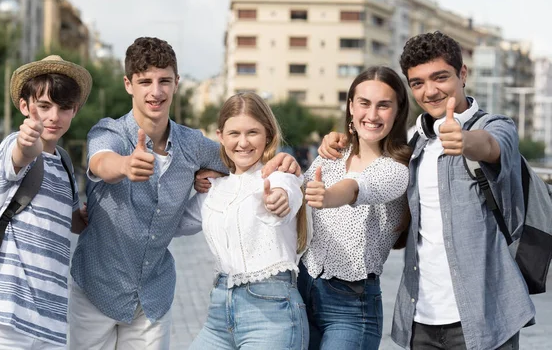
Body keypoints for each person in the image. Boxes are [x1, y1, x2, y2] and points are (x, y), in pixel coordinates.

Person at [69, 37, 300, 350]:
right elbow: (100, 162)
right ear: (128, 85)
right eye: (145, 81)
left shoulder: (193, 144)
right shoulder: (108, 132)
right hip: (97, 287)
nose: (156, 91)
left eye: (164, 81)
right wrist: (126, 165)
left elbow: (243, 158)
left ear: (176, 83)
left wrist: (283, 162)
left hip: (152, 296)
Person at [320, 31, 535, 350]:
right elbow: (372, 169)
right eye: (418, 82)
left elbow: (492, 147)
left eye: (440, 77)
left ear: (463, 74)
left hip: (485, 316)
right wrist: (338, 140)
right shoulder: (414, 143)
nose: (430, 91)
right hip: (421, 319)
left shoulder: (495, 126)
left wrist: (464, 141)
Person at [0, 55, 91, 349]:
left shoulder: (64, 163)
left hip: (49, 322)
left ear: (74, 110)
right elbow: (20, 156)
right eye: (44, 106)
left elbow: (73, 220)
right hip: (2, 317)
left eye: (63, 108)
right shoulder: (13, 146)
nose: (53, 117)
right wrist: (27, 143)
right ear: (25, 106)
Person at [176, 92, 310, 349]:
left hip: (272, 314)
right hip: (219, 312)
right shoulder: (214, 189)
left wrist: (279, 200)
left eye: (253, 132)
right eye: (234, 133)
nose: (243, 142)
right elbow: (173, 223)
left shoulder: (280, 175)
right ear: (221, 136)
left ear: (268, 135)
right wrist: (189, 181)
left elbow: (288, 195)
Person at [300, 66, 411, 349]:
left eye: (383, 105)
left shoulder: (397, 169)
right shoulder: (333, 155)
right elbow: (296, 193)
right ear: (351, 106)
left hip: (350, 305)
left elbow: (356, 187)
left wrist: (325, 196)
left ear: (398, 112)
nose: (372, 115)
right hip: (302, 288)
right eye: (364, 103)